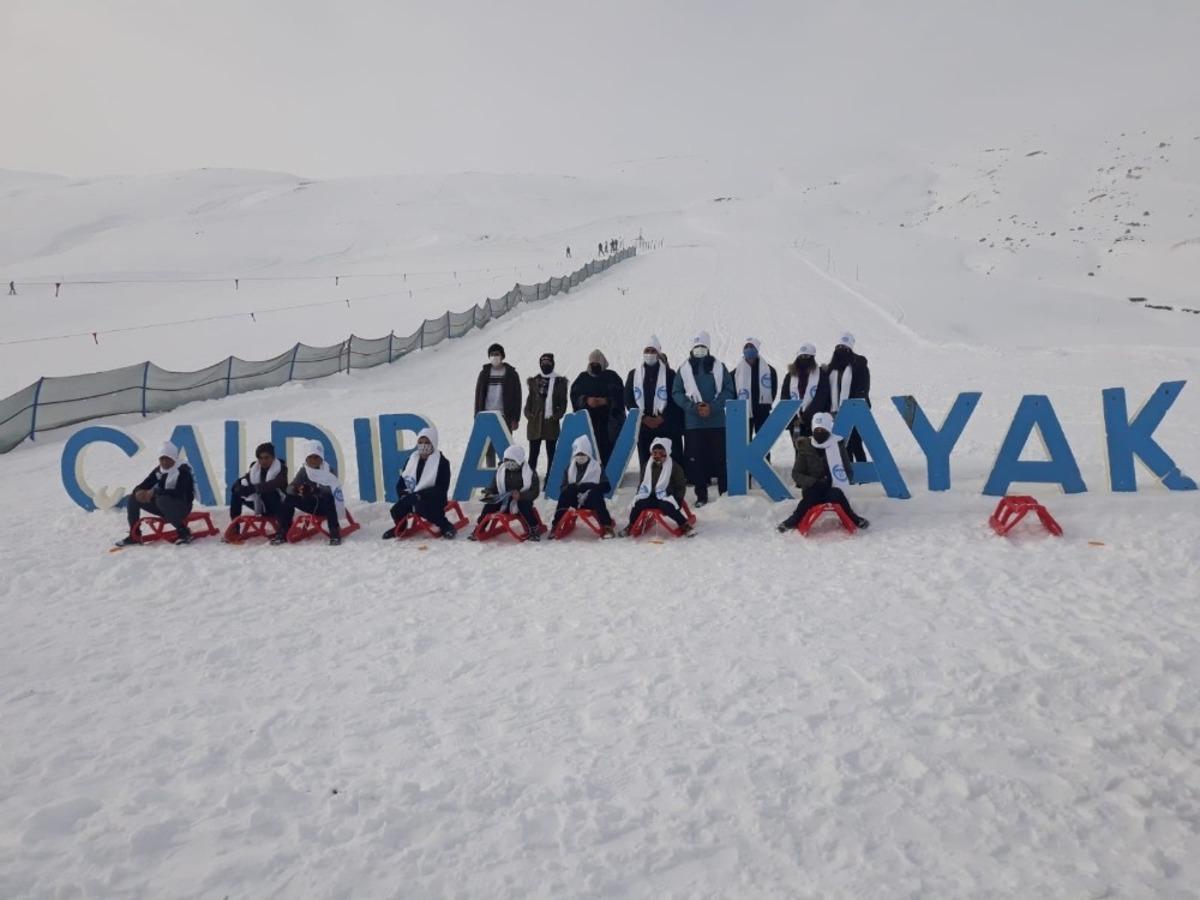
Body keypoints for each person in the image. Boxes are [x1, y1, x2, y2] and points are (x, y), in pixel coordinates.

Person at [671, 330, 735, 506]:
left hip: (717, 422)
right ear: (691, 349)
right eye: (697, 347)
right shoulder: (683, 369)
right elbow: (676, 392)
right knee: (696, 460)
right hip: (694, 423)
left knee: (721, 459)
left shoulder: (720, 367)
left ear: (708, 348)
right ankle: (701, 495)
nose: (699, 350)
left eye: (703, 346)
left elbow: (729, 390)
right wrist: (693, 408)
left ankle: (724, 492)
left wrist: (712, 407)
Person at [777, 412, 869, 531]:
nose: (819, 432)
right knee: (809, 499)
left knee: (837, 494)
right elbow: (796, 473)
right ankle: (793, 520)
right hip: (812, 488)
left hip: (832, 487)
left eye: (822, 429)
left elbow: (848, 471)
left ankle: (853, 518)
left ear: (828, 429)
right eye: (817, 430)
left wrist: (836, 481)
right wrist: (813, 482)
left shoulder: (838, 446)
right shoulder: (805, 446)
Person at [115, 441, 196, 546]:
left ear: (174, 458)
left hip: (182, 507)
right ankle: (134, 535)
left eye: (167, 458)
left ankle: (184, 532)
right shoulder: (159, 471)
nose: (164, 462)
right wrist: (139, 491)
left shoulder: (183, 471)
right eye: (162, 459)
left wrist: (155, 492)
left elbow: (179, 492)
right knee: (133, 498)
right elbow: (144, 484)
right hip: (164, 506)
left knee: (161, 499)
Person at [382, 427, 455, 539]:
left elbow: (442, 488)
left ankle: (446, 526)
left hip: (433, 498)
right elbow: (402, 480)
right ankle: (401, 527)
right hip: (412, 497)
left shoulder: (442, 462)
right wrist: (403, 494)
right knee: (396, 510)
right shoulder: (412, 459)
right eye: (420, 442)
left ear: (433, 443)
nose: (423, 445)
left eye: (427, 442)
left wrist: (420, 495)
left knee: (423, 508)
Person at [624, 335, 683, 473]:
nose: (649, 354)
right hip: (644, 424)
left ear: (658, 353)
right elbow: (628, 399)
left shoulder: (669, 374)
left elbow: (675, 399)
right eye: (647, 350)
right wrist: (644, 418)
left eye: (653, 351)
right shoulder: (634, 374)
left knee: (668, 459)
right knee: (647, 462)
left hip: (665, 424)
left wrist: (662, 417)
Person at [272, 440, 345, 546]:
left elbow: (332, 489)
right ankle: (284, 530)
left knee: (328, 497)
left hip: (326, 506)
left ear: (321, 457)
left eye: (316, 457)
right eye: (310, 457)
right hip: (311, 504)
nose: (313, 460)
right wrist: (297, 489)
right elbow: (290, 488)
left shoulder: (329, 470)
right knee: (289, 498)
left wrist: (313, 490)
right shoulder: (304, 470)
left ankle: (334, 531)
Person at [620, 437, 692, 537]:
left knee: (667, 507)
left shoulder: (674, 467)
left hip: (667, 496)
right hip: (650, 495)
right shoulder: (647, 465)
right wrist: (639, 495)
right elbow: (642, 482)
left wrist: (678, 499)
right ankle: (631, 525)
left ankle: (684, 524)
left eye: (661, 453)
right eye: (655, 453)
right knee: (638, 504)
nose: (657, 456)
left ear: (666, 453)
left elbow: (680, 485)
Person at [549, 436, 615, 538]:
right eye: (578, 454)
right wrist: (573, 487)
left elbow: (607, 487)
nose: (580, 457)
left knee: (596, 494)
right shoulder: (569, 468)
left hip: (591, 501)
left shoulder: (597, 467)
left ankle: (607, 526)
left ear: (588, 453)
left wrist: (591, 486)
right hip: (574, 500)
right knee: (566, 494)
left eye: (583, 454)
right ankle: (556, 525)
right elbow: (563, 488)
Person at [472, 444, 542, 541]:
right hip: (504, 500)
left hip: (520, 500)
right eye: (506, 461)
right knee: (489, 506)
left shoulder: (529, 472)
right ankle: (480, 527)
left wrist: (521, 495)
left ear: (519, 460)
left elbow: (534, 491)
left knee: (524, 505)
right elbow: (494, 486)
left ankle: (534, 528)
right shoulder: (501, 471)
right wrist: (489, 492)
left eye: (511, 461)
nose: (508, 464)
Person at [570, 349, 625, 467]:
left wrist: (606, 401)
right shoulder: (582, 378)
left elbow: (620, 396)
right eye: (593, 363)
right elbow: (575, 395)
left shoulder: (612, 377)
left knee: (608, 449)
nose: (595, 365)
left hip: (608, 422)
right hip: (589, 421)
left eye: (597, 363)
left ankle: (609, 470)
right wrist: (586, 400)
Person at [474, 343, 522, 467]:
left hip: (505, 416)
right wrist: (477, 416)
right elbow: (478, 395)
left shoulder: (511, 373)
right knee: (488, 447)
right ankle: (491, 472)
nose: (494, 356)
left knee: (505, 447)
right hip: (487, 415)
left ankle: (504, 472)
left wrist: (516, 418)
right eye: (492, 354)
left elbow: (517, 397)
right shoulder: (484, 373)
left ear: (502, 356)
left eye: (497, 354)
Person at [827, 332, 872, 463]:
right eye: (838, 347)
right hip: (835, 412)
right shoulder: (831, 369)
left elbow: (863, 388)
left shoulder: (859, 366)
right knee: (842, 444)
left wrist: (851, 408)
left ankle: (862, 469)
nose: (841, 350)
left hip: (853, 410)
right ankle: (848, 469)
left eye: (844, 348)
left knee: (856, 443)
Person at [524, 351, 568, 478]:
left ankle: (551, 478)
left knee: (551, 453)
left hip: (551, 423)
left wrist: (556, 416)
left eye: (548, 362)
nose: (545, 364)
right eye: (543, 362)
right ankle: (530, 479)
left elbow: (563, 403)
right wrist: (528, 414)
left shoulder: (559, 382)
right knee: (533, 454)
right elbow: (529, 401)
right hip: (535, 424)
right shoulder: (534, 381)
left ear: (553, 364)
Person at [228, 441, 289, 528]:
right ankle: (235, 527)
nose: (263, 461)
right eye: (260, 458)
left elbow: (276, 483)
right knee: (237, 493)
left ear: (273, 457)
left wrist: (254, 488)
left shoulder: (281, 468)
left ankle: (284, 528)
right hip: (261, 504)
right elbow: (245, 479)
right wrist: (237, 486)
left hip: (278, 505)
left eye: (266, 458)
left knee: (269, 492)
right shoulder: (255, 469)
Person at [779, 343, 831, 438]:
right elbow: (785, 396)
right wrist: (794, 417)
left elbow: (821, 398)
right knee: (798, 445)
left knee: (814, 446)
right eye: (801, 356)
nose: (803, 359)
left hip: (815, 420)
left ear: (812, 357)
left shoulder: (821, 375)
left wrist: (806, 417)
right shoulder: (790, 376)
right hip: (795, 420)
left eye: (806, 356)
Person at [733, 337, 778, 445]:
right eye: (746, 347)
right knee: (744, 441)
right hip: (743, 412)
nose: (749, 349)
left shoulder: (769, 370)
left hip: (762, 411)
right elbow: (733, 392)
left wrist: (765, 405)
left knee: (763, 442)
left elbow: (773, 390)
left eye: (751, 346)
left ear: (757, 349)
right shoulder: (736, 372)